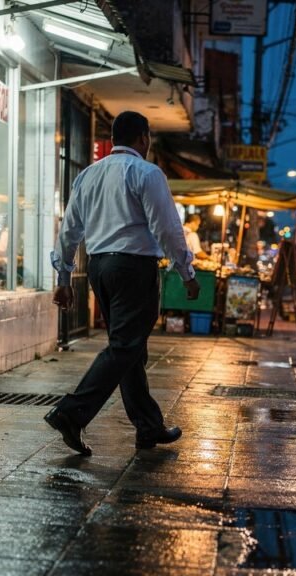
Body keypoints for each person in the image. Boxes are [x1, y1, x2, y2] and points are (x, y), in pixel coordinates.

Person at [46, 111, 199, 456]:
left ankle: (148, 427)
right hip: (134, 269)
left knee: (131, 349)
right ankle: (71, 413)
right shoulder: (146, 172)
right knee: (124, 347)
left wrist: (64, 277)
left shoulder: (88, 175)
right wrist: (186, 273)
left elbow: (69, 229)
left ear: (114, 138)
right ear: (143, 138)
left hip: (100, 268)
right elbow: (167, 228)